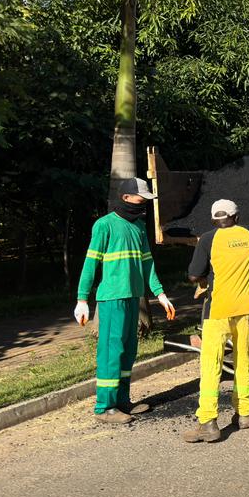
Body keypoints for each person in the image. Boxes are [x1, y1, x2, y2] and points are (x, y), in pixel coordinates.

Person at [74, 178, 176, 424]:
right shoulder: (104, 225)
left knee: (128, 351)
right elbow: (90, 263)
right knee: (112, 352)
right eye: (140, 199)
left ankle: (122, 401)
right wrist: (82, 299)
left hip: (133, 297)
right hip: (112, 298)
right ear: (126, 198)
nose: (143, 204)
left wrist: (160, 294)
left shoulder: (139, 226)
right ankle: (104, 407)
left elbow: (147, 263)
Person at [183, 199, 249, 444]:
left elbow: (194, 275)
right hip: (247, 308)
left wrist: (203, 278)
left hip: (218, 310)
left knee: (212, 364)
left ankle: (208, 422)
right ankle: (245, 413)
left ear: (213, 219)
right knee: (244, 358)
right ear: (236, 217)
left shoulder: (208, 239)